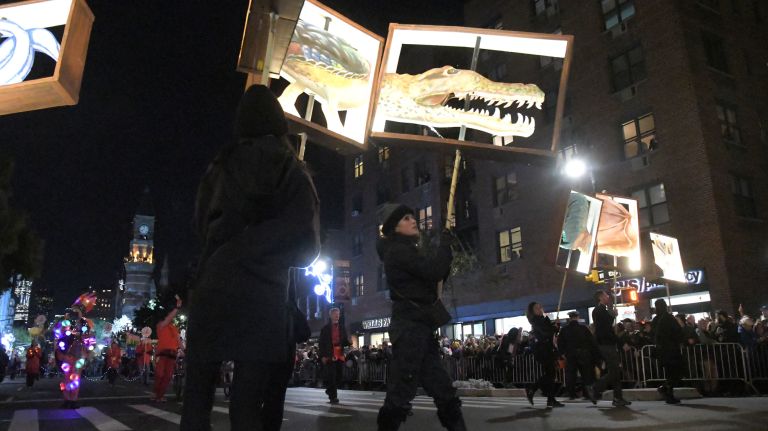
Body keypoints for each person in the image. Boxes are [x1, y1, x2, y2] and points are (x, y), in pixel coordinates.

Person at [181, 85, 320, 431]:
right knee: (246, 405)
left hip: (213, 285)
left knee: (196, 400)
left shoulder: (219, 166)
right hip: (262, 293)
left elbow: (201, 225)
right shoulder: (293, 171)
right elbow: (307, 247)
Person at [375, 203, 465, 431]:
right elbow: (432, 271)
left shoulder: (406, 249)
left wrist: (445, 251)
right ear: (394, 227)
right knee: (401, 389)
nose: (413, 220)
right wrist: (444, 247)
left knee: (441, 386)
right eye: (406, 218)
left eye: (412, 216)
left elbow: (433, 276)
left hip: (420, 328)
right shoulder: (397, 251)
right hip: (410, 329)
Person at [591, 290, 631, 407]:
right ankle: (596, 388)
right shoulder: (599, 310)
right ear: (600, 298)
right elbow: (606, 329)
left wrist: (612, 315)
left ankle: (617, 397)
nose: (608, 297)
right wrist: (612, 316)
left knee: (615, 372)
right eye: (605, 295)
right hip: (606, 345)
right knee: (614, 371)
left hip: (607, 344)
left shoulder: (603, 310)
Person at [525, 302, 564, 408]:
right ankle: (533, 388)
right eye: (537, 308)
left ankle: (550, 399)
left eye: (540, 307)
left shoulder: (544, 319)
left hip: (548, 349)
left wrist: (557, 326)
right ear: (532, 311)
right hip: (542, 351)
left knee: (551, 375)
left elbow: (552, 332)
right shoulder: (535, 321)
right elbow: (544, 334)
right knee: (550, 374)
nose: (540, 309)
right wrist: (554, 328)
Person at [558, 311, 597, 403]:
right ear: (577, 317)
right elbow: (591, 342)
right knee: (586, 374)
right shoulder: (584, 328)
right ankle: (587, 394)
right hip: (583, 354)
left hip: (570, 354)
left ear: (570, 318)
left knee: (571, 375)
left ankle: (571, 394)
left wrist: (563, 353)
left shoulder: (564, 329)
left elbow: (560, 343)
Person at [652, 299, 683, 404]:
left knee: (670, 373)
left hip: (662, 350)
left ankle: (667, 390)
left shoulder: (656, 319)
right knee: (675, 372)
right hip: (671, 349)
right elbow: (677, 332)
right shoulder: (669, 317)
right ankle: (666, 390)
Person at [153, 295, 182, 402]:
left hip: (172, 354)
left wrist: (184, 350)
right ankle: (157, 394)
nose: (169, 318)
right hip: (162, 353)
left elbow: (179, 340)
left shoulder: (174, 328)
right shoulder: (161, 325)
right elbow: (169, 318)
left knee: (168, 376)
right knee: (160, 374)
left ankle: (159, 395)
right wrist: (177, 308)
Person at [319, 307, 350, 404]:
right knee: (332, 376)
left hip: (339, 354)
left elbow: (344, 341)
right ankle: (333, 397)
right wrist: (322, 356)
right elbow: (321, 343)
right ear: (331, 315)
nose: (337, 316)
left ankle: (329, 389)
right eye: (335, 314)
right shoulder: (325, 329)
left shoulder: (342, 327)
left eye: (338, 314)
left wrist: (349, 342)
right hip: (329, 354)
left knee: (339, 376)